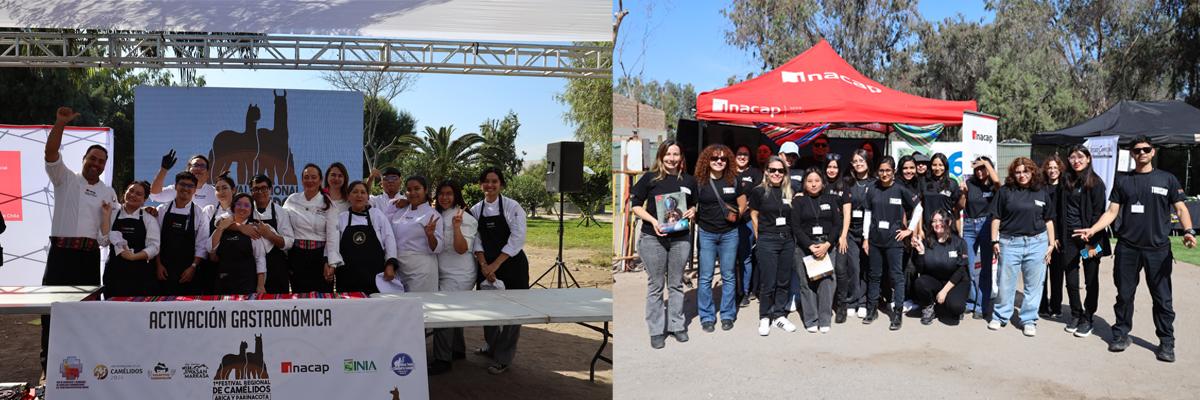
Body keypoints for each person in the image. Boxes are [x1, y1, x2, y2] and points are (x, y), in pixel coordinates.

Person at [1075, 136, 1194, 362]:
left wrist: (1188, 231)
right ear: (1131, 153)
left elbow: (1181, 208)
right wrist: (1092, 229)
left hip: (1158, 250)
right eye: (1137, 150)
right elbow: (1111, 213)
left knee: (1162, 299)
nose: (1141, 153)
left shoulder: (1167, 179)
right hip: (1128, 249)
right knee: (1124, 295)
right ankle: (1120, 335)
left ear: (1153, 152)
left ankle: (1166, 342)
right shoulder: (1123, 181)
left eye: (1145, 149)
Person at [40, 106, 118, 371]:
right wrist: (60, 123)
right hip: (61, 255)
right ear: (84, 158)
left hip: (88, 257)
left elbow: (124, 216)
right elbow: (51, 153)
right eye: (93, 158)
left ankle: (81, 364)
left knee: (87, 312)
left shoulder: (108, 192)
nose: (96, 164)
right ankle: (47, 367)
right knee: (53, 311)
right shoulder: (65, 178)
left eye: (101, 162)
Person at [630, 140, 696, 348]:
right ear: (661, 156)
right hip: (653, 238)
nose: (672, 159)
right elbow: (635, 206)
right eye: (668, 154)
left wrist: (693, 211)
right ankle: (656, 330)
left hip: (680, 239)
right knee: (656, 285)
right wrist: (653, 221)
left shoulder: (689, 180)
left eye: (676, 154)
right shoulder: (649, 178)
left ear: (681, 157)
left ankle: (677, 326)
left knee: (676, 284)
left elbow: (693, 204)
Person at [988, 157, 1056, 337]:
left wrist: (1051, 243)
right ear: (1013, 174)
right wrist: (994, 240)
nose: (1022, 175)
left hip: (1037, 243)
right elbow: (996, 217)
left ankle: (1028, 319)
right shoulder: (1005, 191)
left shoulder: (1042, 191)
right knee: (1005, 282)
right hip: (1009, 243)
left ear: (1032, 172)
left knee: (1033, 285)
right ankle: (1000, 315)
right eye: (1018, 172)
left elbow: (1048, 219)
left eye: (1025, 171)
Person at [471, 168, 529, 374]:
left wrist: (495, 265)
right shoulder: (476, 209)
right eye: (486, 181)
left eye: (494, 181)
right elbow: (475, 238)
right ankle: (491, 345)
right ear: (481, 185)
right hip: (485, 265)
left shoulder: (513, 207)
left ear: (501, 184)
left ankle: (503, 357)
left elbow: (517, 238)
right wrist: (484, 265)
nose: (490, 185)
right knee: (489, 310)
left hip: (512, 265)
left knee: (514, 313)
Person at [862, 156, 921, 330]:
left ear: (893, 171)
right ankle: (871, 310)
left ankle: (897, 313)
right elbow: (867, 213)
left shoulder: (901, 189)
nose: (884, 174)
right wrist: (865, 237)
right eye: (881, 171)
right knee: (874, 275)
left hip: (894, 241)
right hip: (875, 240)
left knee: (897, 276)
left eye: (888, 170)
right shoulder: (872, 188)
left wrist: (909, 230)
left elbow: (918, 207)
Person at [693, 144, 746, 332]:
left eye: (723, 159)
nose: (719, 161)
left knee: (729, 275)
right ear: (707, 160)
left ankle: (727, 314)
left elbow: (742, 204)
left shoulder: (734, 180)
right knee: (705, 277)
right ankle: (707, 316)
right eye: (715, 158)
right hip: (707, 234)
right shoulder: (699, 182)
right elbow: (691, 206)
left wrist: (735, 216)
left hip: (729, 234)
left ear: (728, 161)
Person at [1058, 145, 1109, 337]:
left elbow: (1099, 214)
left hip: (1089, 239)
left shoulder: (1096, 183)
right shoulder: (1066, 181)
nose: (1076, 160)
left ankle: (1088, 317)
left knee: (1090, 279)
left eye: (1080, 157)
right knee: (1071, 278)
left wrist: (1091, 240)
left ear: (1088, 159)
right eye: (1072, 157)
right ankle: (1076, 313)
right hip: (1069, 238)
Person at [429, 181, 478, 375]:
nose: (444, 197)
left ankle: (442, 359)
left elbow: (461, 249)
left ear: (456, 195)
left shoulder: (464, 218)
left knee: (443, 313)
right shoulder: (438, 215)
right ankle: (457, 350)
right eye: (441, 193)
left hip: (459, 274)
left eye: (449, 193)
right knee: (454, 312)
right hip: (442, 271)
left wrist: (457, 228)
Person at [748, 156, 797, 336]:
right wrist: (759, 236)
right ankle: (765, 316)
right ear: (766, 172)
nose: (776, 173)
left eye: (780, 170)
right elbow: (753, 214)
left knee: (783, 280)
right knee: (768, 281)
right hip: (767, 240)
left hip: (787, 240)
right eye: (773, 170)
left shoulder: (790, 191)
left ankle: (779, 315)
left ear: (785, 173)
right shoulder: (758, 192)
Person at [791, 168, 843, 333]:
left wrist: (828, 244)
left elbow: (837, 224)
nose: (813, 184)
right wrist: (809, 246)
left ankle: (825, 318)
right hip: (805, 247)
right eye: (809, 181)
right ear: (805, 184)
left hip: (826, 246)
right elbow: (796, 227)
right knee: (806, 284)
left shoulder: (830, 199)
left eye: (817, 181)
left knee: (826, 283)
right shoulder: (798, 202)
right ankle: (811, 319)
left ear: (822, 182)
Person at [328, 181, 398, 294]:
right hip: (347, 277)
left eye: (363, 192)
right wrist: (330, 264)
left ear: (367, 197)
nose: (359, 195)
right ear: (349, 196)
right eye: (355, 192)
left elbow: (389, 239)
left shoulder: (377, 215)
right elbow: (333, 244)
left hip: (374, 277)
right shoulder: (342, 218)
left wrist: (390, 264)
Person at [154, 171, 211, 296]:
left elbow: (202, 245)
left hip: (188, 271)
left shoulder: (200, 214)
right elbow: (155, 241)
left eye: (190, 186)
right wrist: (158, 265)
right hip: (163, 270)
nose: (186, 188)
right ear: (175, 186)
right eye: (182, 184)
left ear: (195, 189)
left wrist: (193, 267)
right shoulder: (162, 210)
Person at [101, 181, 161, 297]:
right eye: (131, 191)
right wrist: (106, 216)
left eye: (138, 194)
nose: (133, 195)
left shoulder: (149, 218)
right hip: (114, 272)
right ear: (125, 192)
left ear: (144, 199)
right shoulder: (112, 214)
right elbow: (103, 241)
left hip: (141, 274)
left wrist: (133, 257)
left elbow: (154, 247)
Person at [284, 164, 337, 293]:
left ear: (320, 180)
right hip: (297, 257)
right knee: (299, 299)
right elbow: (282, 224)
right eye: (306, 177)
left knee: (323, 301)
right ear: (302, 180)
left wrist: (330, 262)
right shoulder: (292, 199)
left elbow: (332, 236)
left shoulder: (328, 203)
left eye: (314, 177)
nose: (310, 181)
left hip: (319, 258)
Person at [911, 209, 971, 325]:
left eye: (941, 220)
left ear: (948, 222)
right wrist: (921, 253)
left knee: (956, 308)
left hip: (955, 282)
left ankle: (946, 303)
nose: (937, 224)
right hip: (936, 280)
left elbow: (961, 271)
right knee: (920, 282)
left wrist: (944, 291)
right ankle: (929, 307)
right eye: (934, 221)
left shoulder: (959, 242)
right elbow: (920, 270)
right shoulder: (927, 241)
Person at [962, 157, 999, 320]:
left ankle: (982, 305)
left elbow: (998, 183)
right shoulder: (969, 183)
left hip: (986, 225)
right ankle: (971, 301)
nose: (979, 171)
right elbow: (962, 205)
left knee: (985, 268)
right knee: (969, 267)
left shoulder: (993, 185)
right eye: (976, 168)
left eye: (982, 168)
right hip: (969, 226)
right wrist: (963, 193)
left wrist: (986, 163)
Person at [209, 193, 269, 295]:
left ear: (251, 210)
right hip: (223, 282)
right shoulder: (223, 226)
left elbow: (260, 259)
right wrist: (221, 228)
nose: (242, 208)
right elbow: (210, 250)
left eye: (246, 205)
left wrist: (260, 285)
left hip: (246, 283)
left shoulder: (253, 230)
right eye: (239, 204)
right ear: (233, 207)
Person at [391, 176, 443, 293]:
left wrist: (430, 235)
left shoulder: (433, 215)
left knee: (422, 306)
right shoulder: (400, 212)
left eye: (417, 188)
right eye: (409, 189)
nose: (412, 193)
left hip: (421, 271)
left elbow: (438, 248)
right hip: (399, 269)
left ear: (425, 190)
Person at [250, 174, 294, 293]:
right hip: (251, 269)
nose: (260, 192)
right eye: (256, 189)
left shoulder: (280, 212)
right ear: (251, 191)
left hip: (276, 269)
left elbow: (289, 242)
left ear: (270, 189)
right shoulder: (245, 210)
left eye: (264, 188)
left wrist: (269, 235)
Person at [822, 155, 853, 323]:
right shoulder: (820, 184)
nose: (831, 170)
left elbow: (847, 213)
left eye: (834, 167)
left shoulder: (844, 186)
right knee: (824, 270)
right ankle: (825, 303)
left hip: (840, 233)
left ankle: (842, 306)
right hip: (823, 233)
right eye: (829, 167)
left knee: (841, 269)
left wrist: (843, 236)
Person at [844, 149, 875, 320]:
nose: (858, 164)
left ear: (867, 162)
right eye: (855, 161)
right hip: (851, 230)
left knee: (866, 268)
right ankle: (852, 301)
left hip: (869, 232)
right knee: (853, 268)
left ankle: (863, 301)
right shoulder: (847, 182)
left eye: (861, 160)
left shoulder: (875, 183)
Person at [200, 172, 237, 295]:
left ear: (234, 190)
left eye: (225, 188)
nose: (221, 191)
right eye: (217, 189)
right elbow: (203, 237)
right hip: (213, 265)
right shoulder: (209, 210)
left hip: (238, 265)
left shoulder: (243, 209)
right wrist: (212, 253)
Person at [733, 145, 761, 306]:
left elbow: (757, 195)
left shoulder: (755, 173)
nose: (742, 157)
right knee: (730, 259)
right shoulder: (729, 171)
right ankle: (733, 291)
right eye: (739, 154)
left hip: (747, 220)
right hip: (729, 222)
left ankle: (744, 291)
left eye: (745, 154)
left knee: (745, 257)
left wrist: (744, 208)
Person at [1039, 155, 1066, 319]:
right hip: (1043, 236)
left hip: (1061, 238)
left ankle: (1056, 306)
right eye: (1049, 167)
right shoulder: (1040, 188)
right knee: (1041, 273)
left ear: (1060, 169)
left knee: (1057, 274)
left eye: (1055, 167)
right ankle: (1042, 306)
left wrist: (1056, 237)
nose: (1052, 170)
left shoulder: (1065, 187)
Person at [150, 150, 218, 210]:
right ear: (188, 169)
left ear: (207, 173)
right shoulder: (178, 189)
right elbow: (155, 195)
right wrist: (164, 169)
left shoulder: (215, 193)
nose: (198, 169)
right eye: (195, 165)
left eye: (202, 166)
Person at [919, 153, 963, 237]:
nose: (937, 168)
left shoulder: (952, 183)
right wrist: (920, 230)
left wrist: (959, 232)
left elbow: (956, 210)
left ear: (945, 167)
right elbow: (919, 208)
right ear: (930, 166)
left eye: (941, 165)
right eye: (934, 165)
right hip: (928, 229)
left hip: (947, 229)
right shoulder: (924, 182)